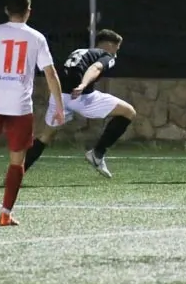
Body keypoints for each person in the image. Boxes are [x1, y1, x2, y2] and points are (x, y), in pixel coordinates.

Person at [0, 0, 65, 228]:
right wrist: (59, 106)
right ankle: (6, 213)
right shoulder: (37, 37)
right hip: (20, 107)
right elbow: (50, 73)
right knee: (17, 162)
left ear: (6, 10)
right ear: (29, 11)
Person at [23, 29, 136, 178]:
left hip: (59, 96)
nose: (116, 53)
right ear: (109, 45)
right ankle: (97, 153)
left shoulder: (80, 51)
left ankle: (16, 173)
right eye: (117, 48)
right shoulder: (106, 55)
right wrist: (83, 84)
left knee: (45, 136)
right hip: (80, 97)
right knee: (129, 112)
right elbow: (95, 68)